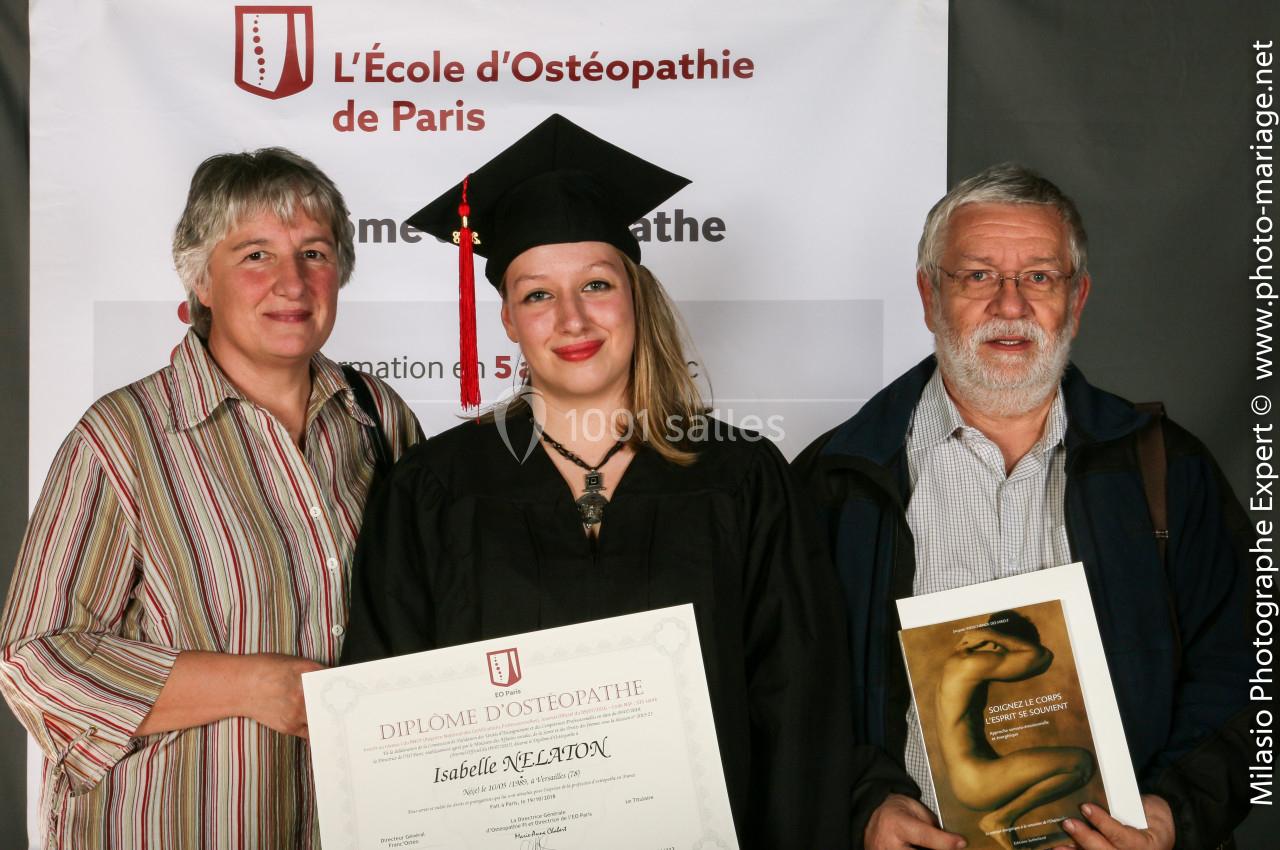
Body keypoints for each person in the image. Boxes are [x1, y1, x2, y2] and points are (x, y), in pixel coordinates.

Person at [340, 114, 854, 848]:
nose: (572, 317)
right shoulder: (432, 492)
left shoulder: (742, 482)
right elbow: (387, 728)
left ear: (636, 297)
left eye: (597, 284)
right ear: (509, 320)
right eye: (538, 295)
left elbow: (801, 718)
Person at [795, 163, 1253, 850]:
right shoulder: (836, 480)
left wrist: (1168, 816)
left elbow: (1248, 669)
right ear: (928, 295)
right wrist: (860, 808)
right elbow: (784, 690)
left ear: (1078, 298)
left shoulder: (1166, 471)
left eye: (1039, 277)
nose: (1010, 306)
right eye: (978, 276)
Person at [0, 148, 420, 848]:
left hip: (350, 826)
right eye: (255, 254)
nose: (292, 282)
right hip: (178, 827)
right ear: (202, 278)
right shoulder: (124, 438)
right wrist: (252, 686)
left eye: (313, 252)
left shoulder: (377, 418)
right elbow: (34, 661)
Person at [933, 611, 1093, 850]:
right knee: (1081, 763)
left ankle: (1003, 821)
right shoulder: (969, 664)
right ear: (995, 641)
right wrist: (990, 634)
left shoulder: (960, 664)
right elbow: (1042, 657)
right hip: (977, 781)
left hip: (972, 778)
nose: (1007, 658)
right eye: (1005, 649)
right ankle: (1000, 819)